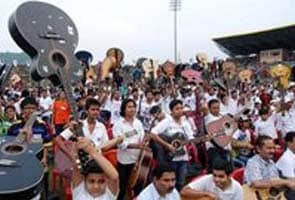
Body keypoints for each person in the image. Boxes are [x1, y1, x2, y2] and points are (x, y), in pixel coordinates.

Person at [7, 96, 52, 197]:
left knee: (41, 187)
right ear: (22, 110)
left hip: (38, 161)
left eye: (33, 108)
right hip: (20, 162)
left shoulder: (42, 125)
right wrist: (21, 137)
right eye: (27, 108)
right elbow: (9, 148)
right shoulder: (14, 126)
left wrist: (44, 159)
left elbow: (46, 145)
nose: (30, 110)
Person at [150, 99, 194, 191]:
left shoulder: (185, 123)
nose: (180, 110)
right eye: (177, 109)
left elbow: (191, 138)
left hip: (183, 158)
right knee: (169, 185)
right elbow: (153, 133)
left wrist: (197, 140)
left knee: (181, 183)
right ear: (172, 111)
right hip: (170, 158)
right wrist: (167, 145)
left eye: (181, 108)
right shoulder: (167, 122)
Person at [112, 98, 145, 200]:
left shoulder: (138, 123)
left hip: (138, 160)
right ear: (123, 109)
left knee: (138, 186)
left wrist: (144, 142)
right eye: (129, 107)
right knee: (122, 188)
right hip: (124, 161)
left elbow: (142, 137)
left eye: (134, 107)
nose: (132, 109)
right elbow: (120, 144)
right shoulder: (118, 125)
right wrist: (136, 145)